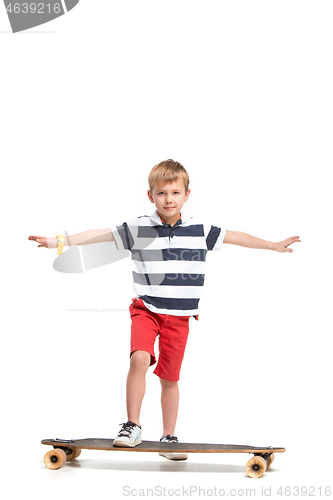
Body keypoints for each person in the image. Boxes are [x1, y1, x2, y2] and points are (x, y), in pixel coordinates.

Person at [28, 159, 300, 461]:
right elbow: (99, 234)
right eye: (161, 193)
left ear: (186, 194)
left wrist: (272, 245)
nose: (168, 199)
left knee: (170, 379)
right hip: (146, 309)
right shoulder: (139, 228)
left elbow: (236, 236)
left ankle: (169, 439)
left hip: (180, 317)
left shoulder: (200, 229)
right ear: (150, 196)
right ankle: (132, 426)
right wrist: (59, 242)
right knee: (139, 359)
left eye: (174, 193)